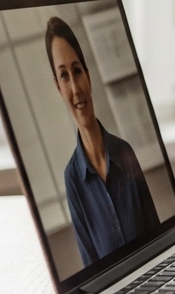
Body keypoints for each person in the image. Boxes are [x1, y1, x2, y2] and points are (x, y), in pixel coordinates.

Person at [46, 16, 160, 266]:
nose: (75, 88)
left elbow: (157, 239)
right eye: (64, 76)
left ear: (88, 75)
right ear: (58, 88)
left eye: (77, 71)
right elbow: (92, 268)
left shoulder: (125, 153)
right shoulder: (72, 179)